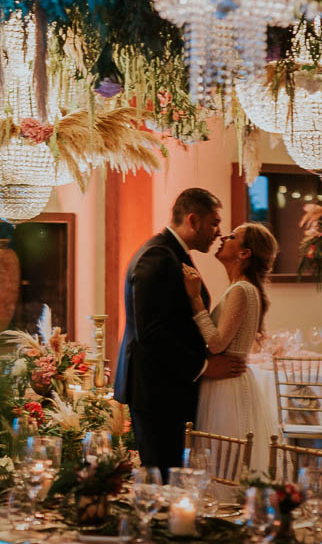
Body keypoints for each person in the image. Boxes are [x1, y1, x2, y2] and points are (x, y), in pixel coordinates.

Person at [112, 188, 246, 474]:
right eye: (214, 223)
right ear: (193, 220)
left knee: (170, 476)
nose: (218, 232)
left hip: (167, 387)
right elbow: (152, 333)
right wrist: (204, 365)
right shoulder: (158, 257)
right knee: (162, 476)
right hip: (157, 390)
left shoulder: (171, 252)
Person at [182, 222, 280, 472]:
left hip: (226, 386)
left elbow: (216, 344)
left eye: (233, 236)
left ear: (244, 253)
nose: (223, 237)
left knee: (225, 461)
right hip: (227, 381)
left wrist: (195, 299)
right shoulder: (240, 288)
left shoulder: (242, 290)